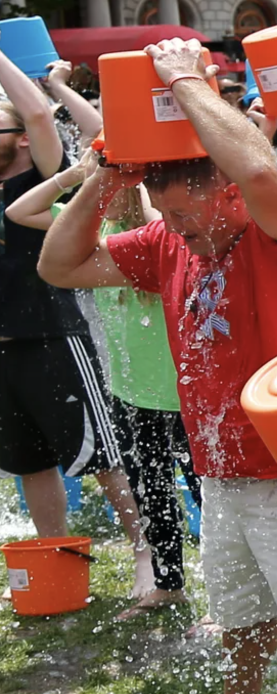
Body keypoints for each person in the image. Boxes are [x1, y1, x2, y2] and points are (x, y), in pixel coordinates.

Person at [39, 37, 277, 694]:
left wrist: (183, 81)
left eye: (187, 213)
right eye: (167, 215)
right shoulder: (167, 243)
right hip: (222, 470)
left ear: (228, 190)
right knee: (241, 613)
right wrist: (107, 180)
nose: (178, 230)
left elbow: (258, 164)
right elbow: (59, 264)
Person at [7, 149, 200, 619]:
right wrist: (80, 176)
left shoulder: (153, 236)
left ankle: (231, 594)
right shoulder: (99, 237)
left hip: (185, 393)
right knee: (153, 492)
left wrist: (128, 173)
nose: (89, 200)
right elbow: (18, 212)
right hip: (133, 394)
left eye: (103, 190)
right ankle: (169, 584)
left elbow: (157, 221)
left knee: (205, 493)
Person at [0, 39, 158, 602]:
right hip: (6, 346)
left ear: (20, 137)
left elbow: (41, 112)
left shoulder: (42, 168)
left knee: (101, 456)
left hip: (53, 335)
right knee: (29, 460)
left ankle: (146, 550)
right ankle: (54, 559)